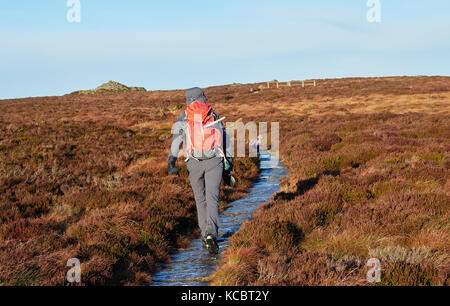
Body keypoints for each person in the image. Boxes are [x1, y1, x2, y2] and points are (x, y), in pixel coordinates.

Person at [168, 87, 234, 255]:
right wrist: (229, 166)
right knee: (213, 198)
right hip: (214, 161)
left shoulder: (183, 117)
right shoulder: (212, 114)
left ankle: (205, 235)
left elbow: (176, 143)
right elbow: (225, 141)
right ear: (203, 97)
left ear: (187, 99)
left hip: (194, 163)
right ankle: (212, 234)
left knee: (200, 199)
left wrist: (172, 163)